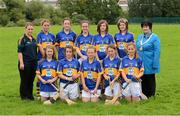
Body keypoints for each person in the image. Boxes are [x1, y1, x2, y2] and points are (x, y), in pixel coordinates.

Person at [136, 20, 160, 98]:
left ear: (150, 27)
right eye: (143, 26)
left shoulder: (155, 37)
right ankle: (143, 94)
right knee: (142, 77)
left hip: (150, 61)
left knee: (150, 78)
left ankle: (151, 94)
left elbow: (157, 51)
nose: (145, 28)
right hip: (140, 61)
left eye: (146, 26)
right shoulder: (140, 37)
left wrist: (155, 63)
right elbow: (137, 47)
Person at [36, 19, 56, 99]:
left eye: (48, 25)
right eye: (45, 25)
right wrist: (45, 55)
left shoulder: (52, 35)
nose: (46, 27)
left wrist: (52, 55)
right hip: (42, 57)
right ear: (42, 26)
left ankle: (54, 91)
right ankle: (39, 93)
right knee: (40, 75)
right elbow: (40, 46)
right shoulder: (39, 35)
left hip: (51, 55)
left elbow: (54, 47)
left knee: (53, 73)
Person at [17, 22, 37, 100]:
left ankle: (30, 95)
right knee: (24, 80)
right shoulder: (22, 39)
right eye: (29, 29)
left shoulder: (34, 39)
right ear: (25, 29)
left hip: (33, 63)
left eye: (32, 29)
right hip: (25, 63)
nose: (30, 30)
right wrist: (21, 63)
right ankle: (23, 96)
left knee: (31, 80)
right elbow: (19, 52)